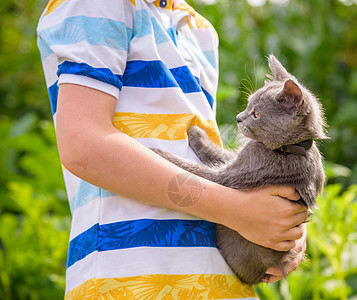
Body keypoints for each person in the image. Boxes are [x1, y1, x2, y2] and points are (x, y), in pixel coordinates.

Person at [37, 0, 308, 298]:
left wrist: (283, 224)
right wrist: (237, 209)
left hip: (223, 283)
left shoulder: (199, 29)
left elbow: (205, 158)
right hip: (129, 278)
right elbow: (84, 145)